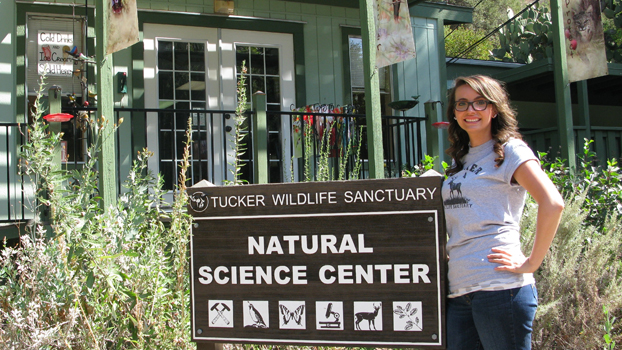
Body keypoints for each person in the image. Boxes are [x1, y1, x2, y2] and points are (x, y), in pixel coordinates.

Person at [441, 75, 564, 349]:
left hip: (500, 288)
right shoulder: (459, 159)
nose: (470, 110)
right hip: (459, 290)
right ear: (454, 113)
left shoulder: (510, 151)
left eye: (479, 102)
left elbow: (552, 203)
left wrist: (531, 262)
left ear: (494, 109)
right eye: (462, 104)